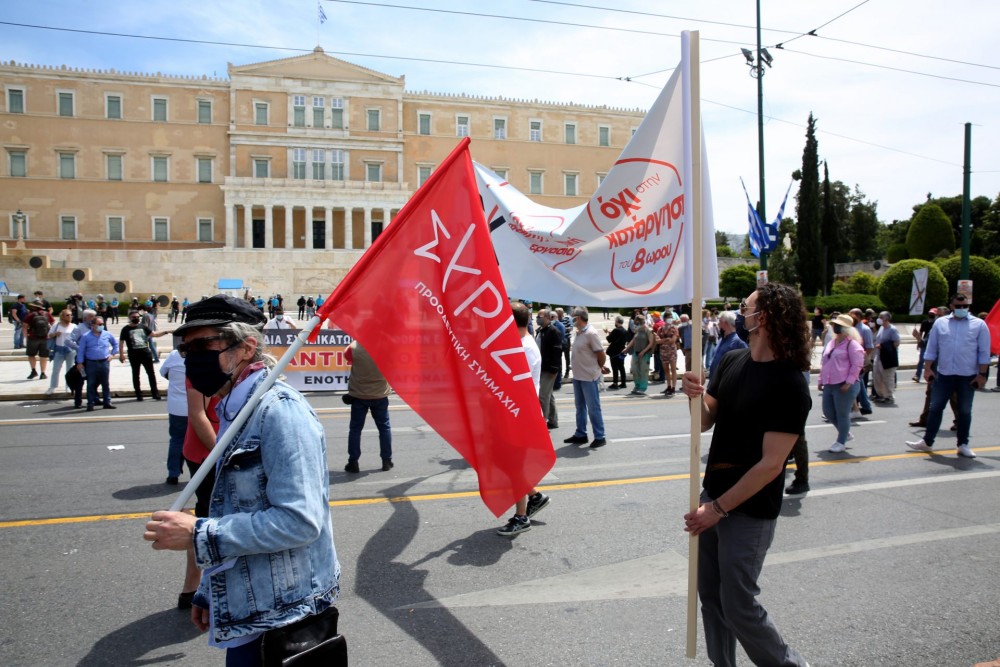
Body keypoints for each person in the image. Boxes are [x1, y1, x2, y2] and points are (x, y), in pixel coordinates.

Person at [142, 294, 340, 663]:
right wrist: (211, 589)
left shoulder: (280, 413)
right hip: (251, 605)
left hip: (282, 616)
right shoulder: (235, 407)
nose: (191, 358)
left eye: (203, 345)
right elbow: (237, 506)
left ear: (246, 348)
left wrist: (197, 534)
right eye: (186, 349)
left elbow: (300, 522)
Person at [681, 282, 812, 667]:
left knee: (738, 604)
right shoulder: (731, 361)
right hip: (713, 497)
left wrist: (717, 510)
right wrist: (693, 396)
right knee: (712, 598)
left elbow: (771, 465)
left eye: (747, 307)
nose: (741, 312)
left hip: (748, 510)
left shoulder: (789, 383)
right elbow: (705, 421)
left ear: (765, 317)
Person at [907, 293, 991, 458]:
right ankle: (927, 442)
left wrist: (982, 374)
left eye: (965, 306)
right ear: (951, 306)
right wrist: (927, 368)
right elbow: (932, 347)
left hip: (967, 376)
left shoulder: (979, 325)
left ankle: (963, 444)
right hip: (944, 374)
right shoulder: (941, 322)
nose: (962, 309)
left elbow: (984, 352)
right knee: (935, 408)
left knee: (965, 411)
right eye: (958, 306)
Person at [497, 302, 551, 536]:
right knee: (506, 464)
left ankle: (521, 517)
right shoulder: (518, 344)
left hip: (521, 416)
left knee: (514, 465)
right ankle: (535, 496)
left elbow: (519, 386)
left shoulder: (525, 348)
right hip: (513, 413)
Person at [177, 378, 221, 610]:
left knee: (210, 519)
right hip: (208, 454)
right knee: (210, 522)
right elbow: (198, 414)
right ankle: (194, 590)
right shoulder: (202, 365)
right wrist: (221, 458)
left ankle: (192, 590)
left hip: (212, 453)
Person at [343, 340, 394, 473]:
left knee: (355, 429)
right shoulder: (386, 346)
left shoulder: (353, 348)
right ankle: (386, 460)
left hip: (359, 394)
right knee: (384, 428)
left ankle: (353, 461)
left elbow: (346, 355)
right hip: (380, 394)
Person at [563, 307, 609, 448]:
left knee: (593, 407)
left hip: (589, 376)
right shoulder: (579, 332)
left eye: (573, 316)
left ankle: (600, 436)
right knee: (580, 407)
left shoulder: (591, 333)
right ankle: (581, 433)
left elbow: (601, 354)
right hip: (578, 376)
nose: (571, 318)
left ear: (579, 317)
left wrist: (599, 367)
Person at [818, 313, 864, 453]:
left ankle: (841, 441)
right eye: (834, 325)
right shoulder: (832, 342)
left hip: (844, 385)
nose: (835, 327)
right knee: (828, 411)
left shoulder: (852, 344)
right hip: (830, 383)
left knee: (842, 415)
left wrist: (849, 382)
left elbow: (857, 365)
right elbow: (825, 362)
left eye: (838, 326)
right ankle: (845, 433)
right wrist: (821, 379)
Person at [120, 310, 172, 400]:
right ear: (129, 318)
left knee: (151, 374)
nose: (136, 319)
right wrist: (121, 355)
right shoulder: (125, 329)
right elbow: (121, 343)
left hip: (146, 353)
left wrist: (166, 332)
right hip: (133, 355)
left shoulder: (143, 327)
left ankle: (155, 393)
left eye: (137, 317)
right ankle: (138, 395)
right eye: (134, 317)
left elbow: (154, 334)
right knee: (136, 374)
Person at [75, 316, 119, 411]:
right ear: (93, 325)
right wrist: (80, 362)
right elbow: (81, 350)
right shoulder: (86, 336)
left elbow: (115, 344)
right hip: (91, 363)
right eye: (99, 324)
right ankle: (90, 403)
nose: (101, 326)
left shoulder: (107, 334)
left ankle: (107, 402)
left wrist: (112, 354)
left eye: (102, 324)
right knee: (91, 383)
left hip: (104, 362)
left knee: (105, 383)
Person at [159, 350, 188, 485]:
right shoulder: (203, 355)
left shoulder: (174, 355)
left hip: (177, 407)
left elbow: (163, 372)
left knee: (176, 440)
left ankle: (173, 473)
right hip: (197, 406)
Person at [535, 308, 562, 428]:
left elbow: (557, 351)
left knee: (543, 396)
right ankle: (553, 420)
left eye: (540, 317)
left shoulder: (553, 331)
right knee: (549, 395)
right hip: (541, 367)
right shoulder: (540, 331)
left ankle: (542, 422)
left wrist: (554, 368)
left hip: (549, 369)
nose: (537, 319)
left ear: (547, 317)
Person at [708, 311, 747, 386]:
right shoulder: (722, 339)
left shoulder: (738, 341)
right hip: (715, 384)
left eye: (719, 321)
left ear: (725, 322)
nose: (718, 324)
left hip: (727, 385)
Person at [45, 309, 77, 396]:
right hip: (59, 349)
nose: (70, 317)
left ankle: (69, 387)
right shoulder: (56, 325)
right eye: (67, 315)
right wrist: (55, 334)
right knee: (56, 369)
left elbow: (78, 338)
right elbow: (49, 335)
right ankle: (53, 387)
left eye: (71, 315)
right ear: (62, 316)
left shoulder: (74, 326)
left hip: (70, 350)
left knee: (69, 370)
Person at [872, 311, 900, 404]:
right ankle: (881, 395)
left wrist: (883, 346)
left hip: (888, 358)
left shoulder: (892, 329)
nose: (879, 319)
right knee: (877, 377)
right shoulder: (881, 329)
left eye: (881, 317)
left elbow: (896, 343)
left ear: (887, 319)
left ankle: (889, 396)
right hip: (879, 356)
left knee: (887, 378)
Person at [623, 315, 655, 395]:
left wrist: (643, 352)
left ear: (642, 323)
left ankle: (642, 387)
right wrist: (627, 348)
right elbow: (634, 339)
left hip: (645, 354)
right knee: (634, 370)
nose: (636, 326)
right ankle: (637, 386)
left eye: (637, 324)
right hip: (636, 352)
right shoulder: (638, 330)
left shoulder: (649, 330)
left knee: (643, 371)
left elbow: (651, 343)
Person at [24, 301, 55, 380]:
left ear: (34, 307)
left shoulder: (30, 315)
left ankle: (33, 371)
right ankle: (43, 373)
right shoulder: (47, 314)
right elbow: (53, 323)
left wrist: (26, 337)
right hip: (45, 338)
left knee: (31, 355)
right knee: (43, 356)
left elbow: (24, 326)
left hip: (33, 337)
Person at [656, 313, 679, 395]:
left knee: (673, 369)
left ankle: (673, 387)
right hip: (663, 351)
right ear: (664, 318)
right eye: (669, 317)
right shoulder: (660, 329)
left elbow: (673, 340)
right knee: (666, 370)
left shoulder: (674, 328)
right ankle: (668, 386)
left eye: (671, 317)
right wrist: (666, 339)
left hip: (672, 351)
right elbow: (657, 341)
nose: (670, 319)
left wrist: (663, 340)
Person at [912, 308, 937, 382]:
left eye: (933, 314)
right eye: (930, 313)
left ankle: (932, 376)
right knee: (921, 360)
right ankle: (917, 375)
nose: (931, 315)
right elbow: (921, 332)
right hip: (924, 343)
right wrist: (918, 342)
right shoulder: (925, 322)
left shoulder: (937, 323)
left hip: (932, 344)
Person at [605, 315, 628, 390]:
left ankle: (615, 383)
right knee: (621, 367)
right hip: (621, 351)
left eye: (615, 321)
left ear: (617, 321)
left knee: (614, 367)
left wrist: (607, 334)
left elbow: (609, 339)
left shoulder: (616, 330)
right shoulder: (624, 330)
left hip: (614, 352)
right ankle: (623, 383)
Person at [556, 307, 573, 379]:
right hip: (558, 340)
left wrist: (562, 328)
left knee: (567, 356)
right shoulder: (556, 320)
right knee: (559, 357)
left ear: (562, 313)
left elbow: (571, 328)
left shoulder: (566, 319)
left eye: (559, 314)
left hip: (566, 339)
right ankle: (560, 372)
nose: (558, 316)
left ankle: (567, 371)